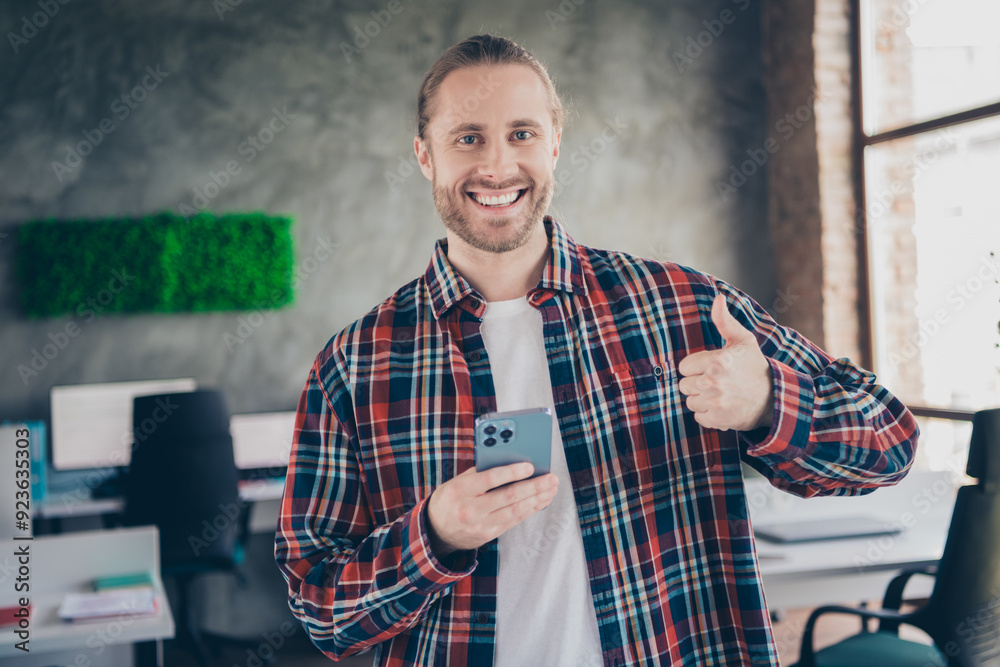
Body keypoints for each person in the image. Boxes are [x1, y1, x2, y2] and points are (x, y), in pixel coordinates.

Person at [274, 33, 918, 667]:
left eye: (521, 134)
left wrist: (768, 402)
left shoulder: (683, 307)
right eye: (467, 137)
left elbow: (890, 443)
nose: (497, 166)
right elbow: (320, 610)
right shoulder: (354, 365)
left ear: (555, 146)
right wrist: (434, 535)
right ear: (425, 156)